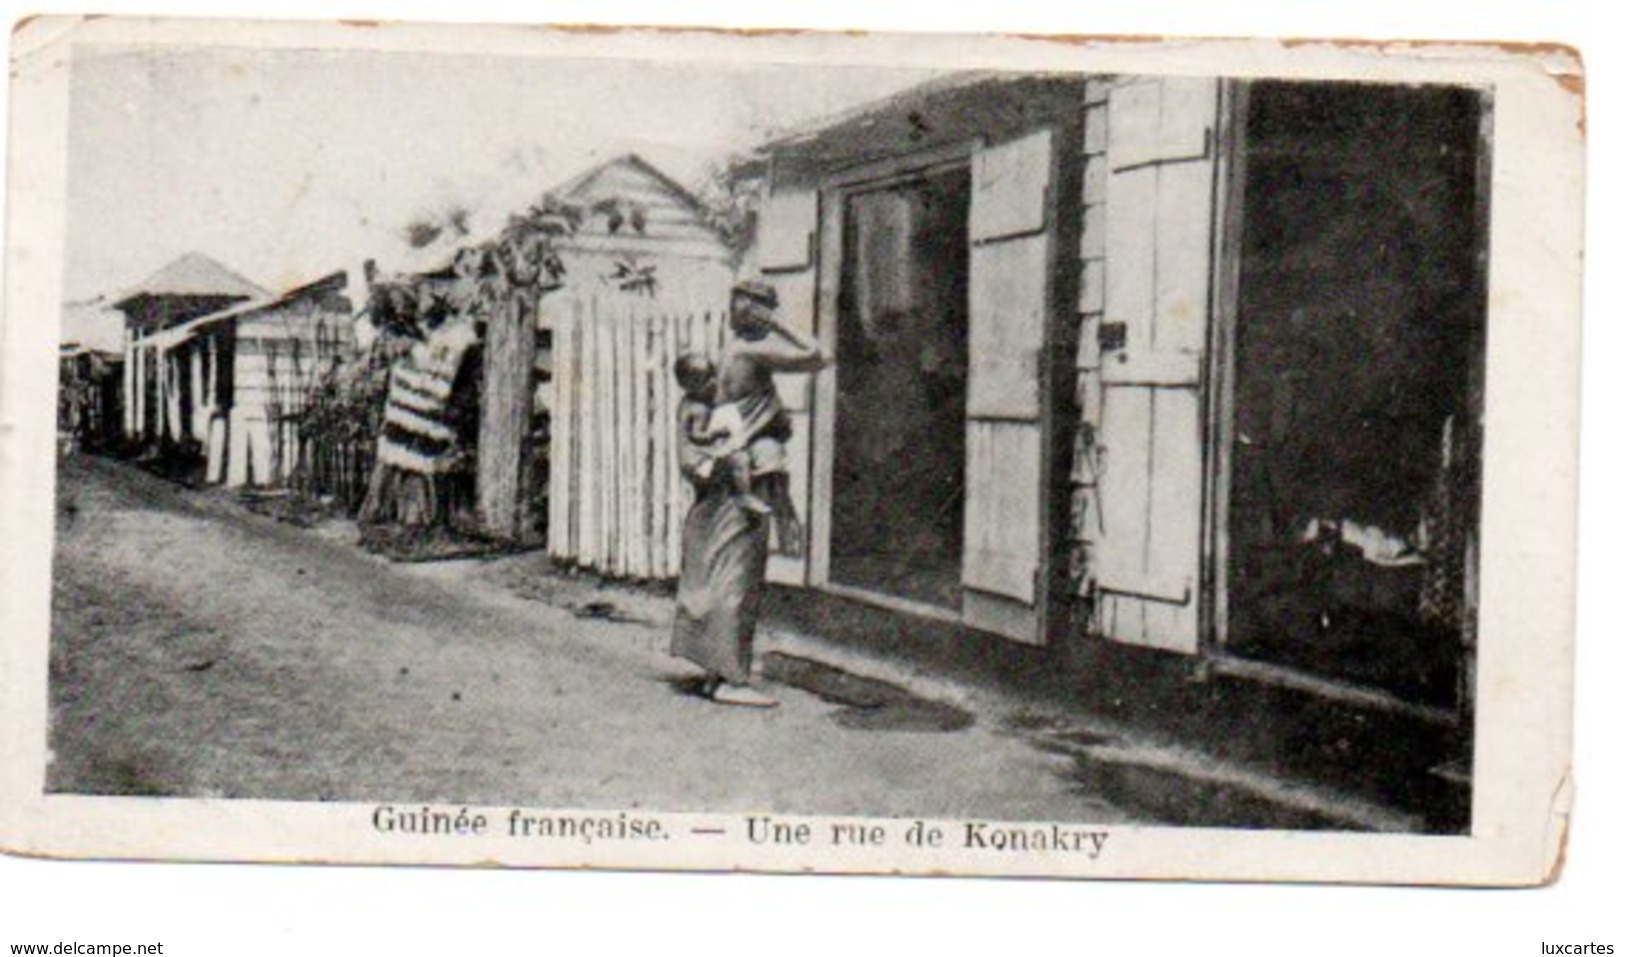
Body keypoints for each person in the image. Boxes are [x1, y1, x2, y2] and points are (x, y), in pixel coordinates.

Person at [670, 280, 829, 707]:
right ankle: (731, 681)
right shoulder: (750, 351)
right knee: (738, 576)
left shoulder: (729, 349)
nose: (766, 315)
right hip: (744, 477)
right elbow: (818, 355)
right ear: (757, 313)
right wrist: (781, 326)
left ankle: (715, 670)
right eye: (764, 309)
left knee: (719, 569)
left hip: (722, 477)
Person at [673, 351, 772, 517]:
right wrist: (716, 434)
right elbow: (697, 436)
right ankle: (743, 495)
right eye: (705, 381)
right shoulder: (699, 409)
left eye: (713, 376)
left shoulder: (689, 402)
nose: (712, 383)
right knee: (737, 459)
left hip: (692, 463)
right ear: (690, 386)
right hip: (698, 464)